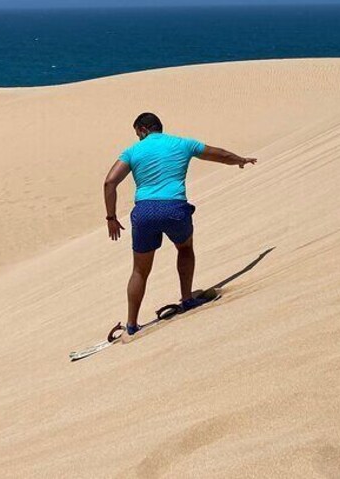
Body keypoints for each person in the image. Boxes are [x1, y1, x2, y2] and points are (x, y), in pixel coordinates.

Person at [103, 112, 257, 335]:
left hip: (145, 212)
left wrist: (111, 218)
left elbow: (109, 182)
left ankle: (132, 324)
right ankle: (187, 298)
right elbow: (220, 155)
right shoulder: (183, 143)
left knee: (139, 269)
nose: (138, 138)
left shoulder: (132, 151)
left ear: (144, 129)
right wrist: (240, 160)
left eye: (138, 133)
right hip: (175, 208)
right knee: (184, 248)